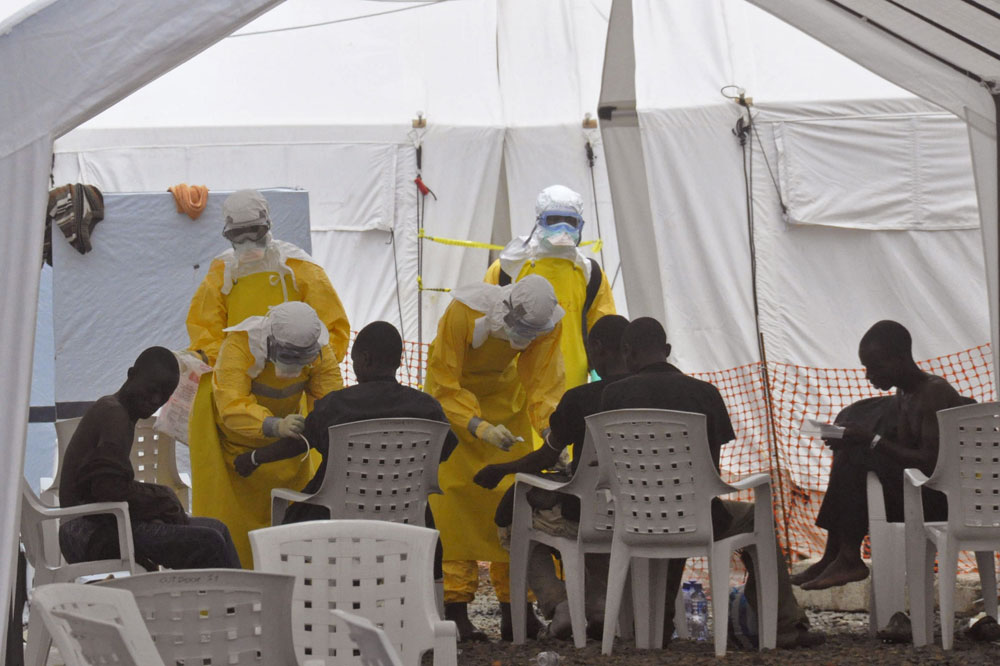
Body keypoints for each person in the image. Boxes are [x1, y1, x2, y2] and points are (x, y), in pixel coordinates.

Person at [600, 318, 822, 648]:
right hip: (696, 515)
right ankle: (783, 625)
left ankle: (654, 626)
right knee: (750, 515)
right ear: (668, 351)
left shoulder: (611, 397)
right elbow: (711, 468)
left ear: (627, 352)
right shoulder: (704, 394)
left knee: (666, 512)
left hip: (635, 517)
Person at [231, 320, 457, 580]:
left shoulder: (336, 407)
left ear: (365, 358)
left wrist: (254, 457)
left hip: (332, 526)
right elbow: (445, 450)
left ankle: (299, 606)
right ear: (398, 361)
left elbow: (299, 441)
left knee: (292, 518)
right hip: (409, 527)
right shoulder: (427, 408)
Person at [187, 189, 350, 536]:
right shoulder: (221, 275)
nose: (247, 242)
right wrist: (239, 370)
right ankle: (232, 577)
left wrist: (304, 366)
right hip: (233, 402)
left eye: (254, 232)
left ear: (268, 227)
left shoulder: (302, 270)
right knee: (227, 512)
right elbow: (204, 332)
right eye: (237, 235)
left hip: (292, 404)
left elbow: (332, 333)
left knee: (294, 504)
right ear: (228, 235)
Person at [425, 274, 566, 642]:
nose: (523, 336)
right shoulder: (463, 313)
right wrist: (477, 425)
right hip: (454, 417)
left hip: (508, 409)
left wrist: (554, 431)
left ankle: (516, 612)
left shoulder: (548, 325)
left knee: (512, 508)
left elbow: (544, 381)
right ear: (506, 309)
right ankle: (456, 613)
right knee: (453, 508)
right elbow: (442, 382)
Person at [474, 314, 631, 640]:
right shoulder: (654, 397)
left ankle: (558, 604)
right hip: (644, 515)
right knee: (604, 514)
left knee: (515, 520)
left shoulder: (581, 398)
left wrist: (501, 469)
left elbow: (545, 457)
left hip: (592, 515)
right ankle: (600, 606)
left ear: (598, 348)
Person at [795, 320, 975, 592]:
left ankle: (847, 557)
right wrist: (852, 439)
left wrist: (872, 440)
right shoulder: (904, 393)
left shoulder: (933, 392)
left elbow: (929, 462)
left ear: (900, 359)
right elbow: (900, 452)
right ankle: (837, 555)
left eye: (876, 367)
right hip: (918, 491)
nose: (869, 375)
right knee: (852, 451)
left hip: (942, 500)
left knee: (859, 454)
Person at [58, 347, 241, 570]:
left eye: (164, 396)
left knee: (217, 529)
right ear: (131, 374)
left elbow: (109, 488)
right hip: (87, 531)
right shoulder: (115, 416)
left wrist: (159, 499)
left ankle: (231, 602)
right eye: (151, 390)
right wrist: (161, 497)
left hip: (99, 523)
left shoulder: (114, 409)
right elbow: (108, 489)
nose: (155, 400)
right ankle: (230, 603)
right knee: (209, 541)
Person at [193, 301, 343, 567]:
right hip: (232, 448)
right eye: (289, 355)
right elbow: (231, 404)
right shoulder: (240, 345)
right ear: (270, 339)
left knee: (290, 531)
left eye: (302, 357)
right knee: (232, 531)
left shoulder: (320, 348)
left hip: (286, 447)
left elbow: (329, 402)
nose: (296, 364)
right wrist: (273, 426)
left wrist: (300, 431)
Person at [485, 185, 615, 391]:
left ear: (580, 224)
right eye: (554, 220)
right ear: (539, 221)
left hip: (572, 386)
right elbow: (484, 324)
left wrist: (601, 376)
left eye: (570, 221)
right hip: (515, 390)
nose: (562, 229)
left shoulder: (591, 274)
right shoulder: (508, 269)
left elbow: (604, 334)